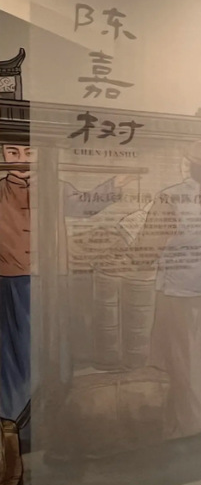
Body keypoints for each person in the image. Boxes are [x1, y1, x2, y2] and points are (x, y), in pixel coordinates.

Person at [0, 130, 128, 447]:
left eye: (28, 152)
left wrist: (115, 184)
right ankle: (15, 427)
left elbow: (85, 206)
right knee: (15, 356)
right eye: (13, 153)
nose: (21, 160)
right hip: (11, 281)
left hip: (53, 279)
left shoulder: (56, 188)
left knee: (55, 349)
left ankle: (52, 421)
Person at [134, 141, 201, 439]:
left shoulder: (170, 197)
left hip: (180, 291)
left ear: (189, 166)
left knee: (182, 359)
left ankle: (190, 422)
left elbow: (147, 248)